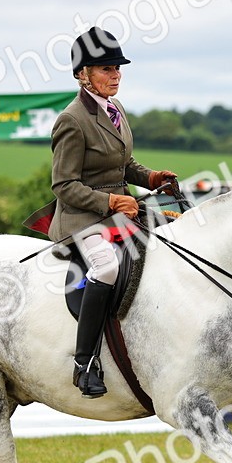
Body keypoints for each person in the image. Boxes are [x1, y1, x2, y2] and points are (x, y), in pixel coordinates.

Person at [47, 27, 177, 398]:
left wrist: (149, 177)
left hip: (121, 213)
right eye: (106, 69)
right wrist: (110, 202)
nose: (116, 74)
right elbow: (64, 185)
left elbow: (122, 165)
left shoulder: (115, 109)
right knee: (105, 267)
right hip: (83, 219)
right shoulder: (71, 120)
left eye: (118, 68)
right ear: (82, 74)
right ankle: (84, 361)